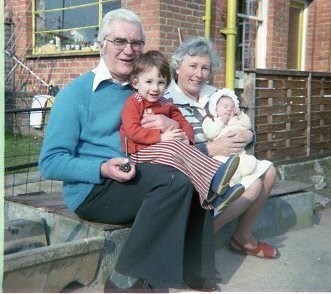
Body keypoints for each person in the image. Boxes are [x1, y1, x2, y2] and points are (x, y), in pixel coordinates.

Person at [39, 9, 222, 291]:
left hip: (139, 169)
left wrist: (166, 122)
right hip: (94, 189)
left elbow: (178, 126)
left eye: (136, 43)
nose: (128, 50)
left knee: (197, 180)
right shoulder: (75, 94)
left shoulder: (146, 87)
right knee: (173, 181)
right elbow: (50, 163)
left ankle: (194, 270)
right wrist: (101, 168)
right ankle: (127, 279)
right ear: (101, 45)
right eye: (119, 41)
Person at [141, 36, 279, 259]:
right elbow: (171, 152)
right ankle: (200, 241)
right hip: (193, 171)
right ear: (177, 67)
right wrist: (212, 148)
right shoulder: (165, 100)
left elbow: (240, 122)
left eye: (205, 68)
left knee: (270, 171)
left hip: (230, 161)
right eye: (193, 66)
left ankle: (242, 236)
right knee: (252, 187)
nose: (199, 74)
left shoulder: (216, 96)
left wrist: (247, 135)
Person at [120, 50, 245, 211]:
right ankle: (215, 175)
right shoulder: (134, 103)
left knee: (182, 155)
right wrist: (161, 137)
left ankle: (219, 194)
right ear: (136, 83)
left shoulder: (165, 102)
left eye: (160, 82)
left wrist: (187, 138)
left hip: (162, 150)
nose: (155, 88)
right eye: (149, 82)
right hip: (139, 153)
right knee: (174, 147)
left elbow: (183, 122)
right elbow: (132, 131)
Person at [202, 88, 273, 189]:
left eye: (231, 107)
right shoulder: (213, 120)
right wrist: (221, 122)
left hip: (239, 153)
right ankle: (229, 182)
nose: (229, 109)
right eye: (225, 107)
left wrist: (241, 115)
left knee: (255, 165)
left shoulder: (235, 119)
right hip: (220, 155)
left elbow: (247, 125)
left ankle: (243, 171)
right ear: (215, 108)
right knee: (225, 166)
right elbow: (210, 133)